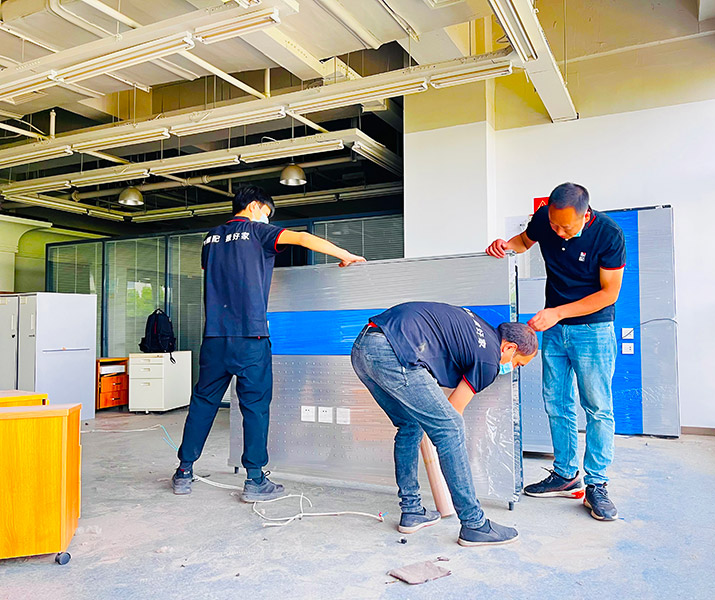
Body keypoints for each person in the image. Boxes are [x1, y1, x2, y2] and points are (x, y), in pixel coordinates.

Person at [172, 185, 365, 502]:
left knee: (203, 403)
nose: (267, 219)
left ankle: (183, 472)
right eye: (267, 213)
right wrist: (345, 255)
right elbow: (302, 238)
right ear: (254, 206)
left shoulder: (210, 238)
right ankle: (255, 480)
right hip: (251, 336)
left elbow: (217, 273)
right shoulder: (258, 232)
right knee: (255, 407)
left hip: (215, 338)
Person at [486, 183, 625, 521]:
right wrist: (504, 246)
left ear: (585, 216)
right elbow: (524, 242)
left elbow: (609, 293)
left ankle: (597, 484)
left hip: (593, 330)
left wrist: (558, 313)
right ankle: (565, 474)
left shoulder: (609, 235)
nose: (559, 232)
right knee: (556, 401)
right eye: (553, 225)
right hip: (555, 329)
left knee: (597, 407)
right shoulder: (545, 220)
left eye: (566, 227)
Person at [350, 301, 538, 546]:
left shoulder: (479, 328)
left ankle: (412, 511)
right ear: (510, 347)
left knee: (409, 425)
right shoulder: (489, 359)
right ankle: (474, 524)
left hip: (363, 345)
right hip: (393, 351)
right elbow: (453, 411)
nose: (512, 368)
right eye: (517, 363)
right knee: (451, 428)